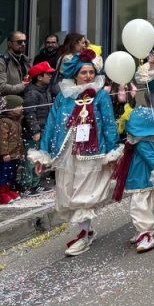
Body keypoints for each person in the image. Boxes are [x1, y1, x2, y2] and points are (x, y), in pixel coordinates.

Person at [28, 49, 120, 257]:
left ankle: (83, 234)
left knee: (84, 193)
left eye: (90, 72)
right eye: (83, 73)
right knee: (68, 192)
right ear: (75, 75)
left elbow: (108, 124)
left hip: (92, 152)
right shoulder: (64, 96)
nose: (88, 76)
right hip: (67, 151)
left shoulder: (101, 95)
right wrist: (44, 152)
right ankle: (85, 229)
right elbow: (52, 123)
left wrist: (112, 151)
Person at [111, 106, 154, 253]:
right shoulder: (144, 140)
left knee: (138, 206)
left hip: (140, 178)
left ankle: (146, 233)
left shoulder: (141, 143)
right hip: (140, 177)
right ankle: (142, 230)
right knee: (143, 204)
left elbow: (151, 158)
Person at [20, 62, 56, 194]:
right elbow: (30, 113)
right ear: (39, 77)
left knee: (39, 157)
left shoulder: (44, 90)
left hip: (43, 129)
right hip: (34, 132)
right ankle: (27, 185)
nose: (50, 76)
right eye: (48, 74)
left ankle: (35, 182)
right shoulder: (32, 93)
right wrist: (35, 130)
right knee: (31, 159)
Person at [0, 95, 25, 204]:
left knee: (10, 173)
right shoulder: (3, 122)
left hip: (14, 155)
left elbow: (19, 139)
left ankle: (7, 190)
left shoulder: (16, 120)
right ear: (10, 107)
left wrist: (21, 152)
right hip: (3, 157)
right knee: (2, 173)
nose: (21, 108)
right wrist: (4, 153)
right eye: (18, 106)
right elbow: (1, 139)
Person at [0, 32, 31, 97]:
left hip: (26, 99)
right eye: (19, 42)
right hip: (10, 103)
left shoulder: (26, 60)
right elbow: (1, 87)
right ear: (9, 44)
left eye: (25, 41)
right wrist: (22, 86)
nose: (23, 44)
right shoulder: (1, 62)